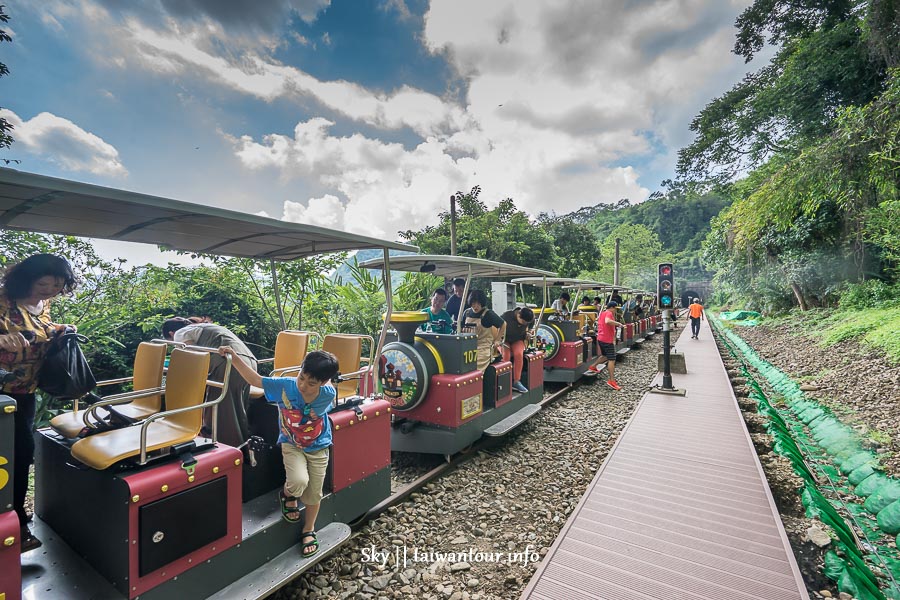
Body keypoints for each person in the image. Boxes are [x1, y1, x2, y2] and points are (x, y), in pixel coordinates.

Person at [218, 347, 338, 558]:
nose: (303, 385)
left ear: (323, 382)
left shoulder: (328, 393)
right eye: (302, 377)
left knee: (313, 492)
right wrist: (234, 357)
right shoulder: (286, 385)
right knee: (299, 481)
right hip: (291, 443)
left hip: (318, 446)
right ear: (299, 371)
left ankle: (308, 529)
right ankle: (287, 494)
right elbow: (255, 380)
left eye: (312, 383)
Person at [0, 254, 78, 552]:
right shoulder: (4, 299)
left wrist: (60, 328)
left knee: (21, 455)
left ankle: (15, 520)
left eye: (57, 286)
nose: (49, 290)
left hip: (25, 391)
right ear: (27, 277)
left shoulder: (44, 304)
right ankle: (15, 523)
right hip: (0, 393)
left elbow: (40, 328)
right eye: (43, 283)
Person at [162, 317, 257, 447]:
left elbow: (195, 359)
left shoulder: (180, 333)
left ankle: (228, 450)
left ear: (171, 334)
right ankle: (244, 449)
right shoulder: (202, 328)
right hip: (248, 363)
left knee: (221, 412)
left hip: (228, 364)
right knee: (238, 410)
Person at [460, 289, 505, 371]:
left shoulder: (488, 314)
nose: (475, 306)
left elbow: (503, 324)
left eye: (478, 303)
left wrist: (498, 340)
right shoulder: (466, 313)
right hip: (467, 348)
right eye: (473, 303)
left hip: (483, 348)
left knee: (473, 368)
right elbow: (460, 328)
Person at [588, 300, 625, 390]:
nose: (616, 311)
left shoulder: (602, 313)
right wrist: (618, 324)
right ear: (612, 307)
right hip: (607, 340)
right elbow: (607, 321)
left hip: (601, 338)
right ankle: (612, 381)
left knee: (605, 356)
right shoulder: (609, 313)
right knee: (612, 359)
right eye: (615, 309)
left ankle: (593, 366)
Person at [500, 306, 534, 393]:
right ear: (518, 315)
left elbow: (530, 326)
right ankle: (504, 381)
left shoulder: (529, 319)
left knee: (519, 354)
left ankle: (516, 381)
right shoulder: (506, 316)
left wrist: (528, 332)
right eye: (523, 322)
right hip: (504, 340)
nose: (524, 324)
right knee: (506, 356)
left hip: (518, 339)